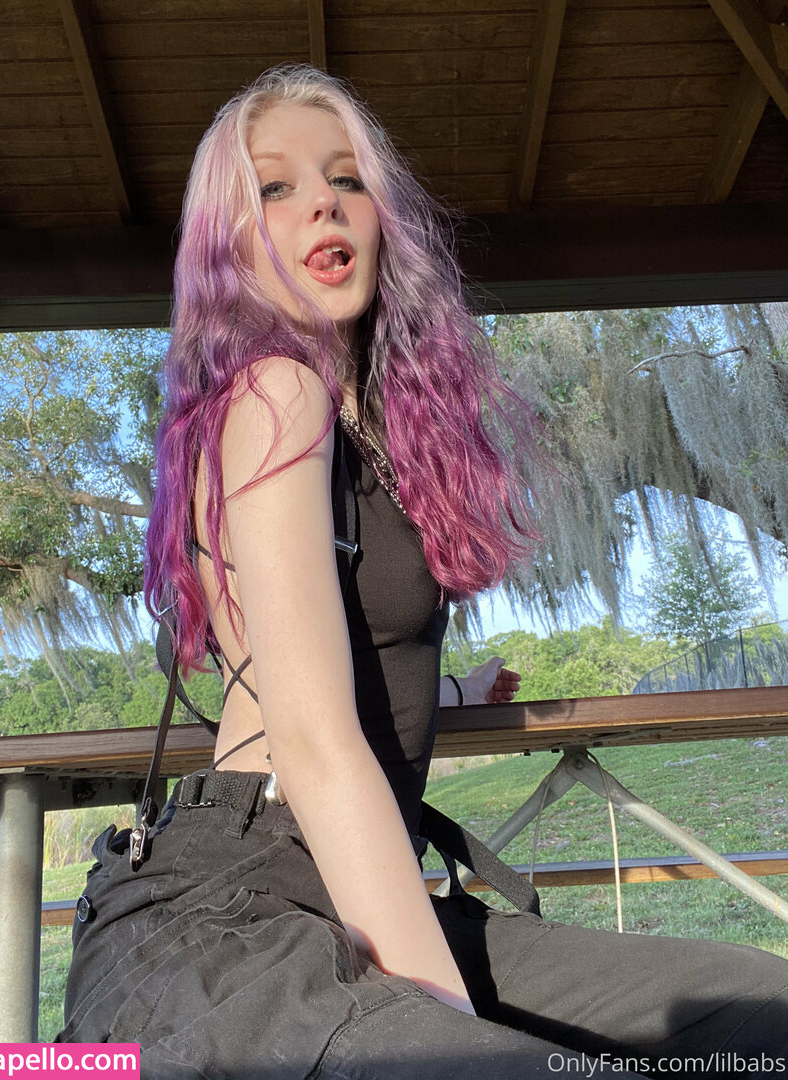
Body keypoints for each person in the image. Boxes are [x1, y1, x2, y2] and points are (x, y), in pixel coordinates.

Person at [58, 66, 788, 1078]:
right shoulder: (277, 393)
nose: (323, 201)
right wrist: (446, 1020)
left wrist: (454, 694)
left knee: (759, 1013)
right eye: (275, 188)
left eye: (346, 177)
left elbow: (329, 663)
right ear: (229, 246)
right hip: (246, 909)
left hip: (355, 879)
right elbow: (310, 741)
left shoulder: (358, 425)